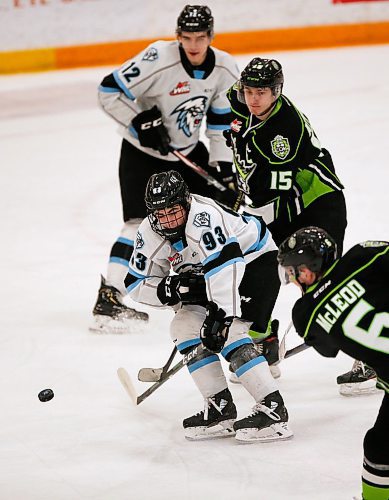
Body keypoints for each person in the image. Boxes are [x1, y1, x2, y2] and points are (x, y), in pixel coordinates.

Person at [224, 57, 374, 393]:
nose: (254, 99)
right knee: (261, 264)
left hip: (319, 205)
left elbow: (265, 190)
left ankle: (371, 354)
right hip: (287, 207)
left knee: (325, 284)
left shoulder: (283, 131)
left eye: (262, 92)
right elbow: (228, 101)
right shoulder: (243, 98)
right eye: (249, 91)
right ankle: (263, 341)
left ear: (276, 91)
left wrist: (240, 149)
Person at [91, 5, 239, 333]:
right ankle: (110, 296)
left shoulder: (226, 69)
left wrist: (223, 166)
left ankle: (210, 287)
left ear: (211, 37)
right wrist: (138, 122)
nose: (194, 45)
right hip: (142, 153)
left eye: (201, 38)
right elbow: (108, 91)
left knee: (211, 215)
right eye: (187, 38)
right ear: (178, 37)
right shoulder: (159, 57)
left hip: (186, 153)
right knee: (135, 224)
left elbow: (218, 122)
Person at [124, 169, 293, 442]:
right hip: (210, 274)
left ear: (186, 202)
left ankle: (274, 410)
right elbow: (134, 283)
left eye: (173, 211)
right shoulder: (149, 231)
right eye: (160, 214)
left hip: (255, 262)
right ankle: (220, 408)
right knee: (184, 327)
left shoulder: (204, 218)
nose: (167, 220)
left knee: (230, 333)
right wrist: (169, 289)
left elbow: (227, 266)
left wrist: (221, 316)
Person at [277, 227, 389, 500]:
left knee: (380, 448)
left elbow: (328, 349)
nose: (293, 279)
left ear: (309, 269)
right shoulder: (365, 254)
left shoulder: (306, 314)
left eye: (294, 272)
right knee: (380, 445)